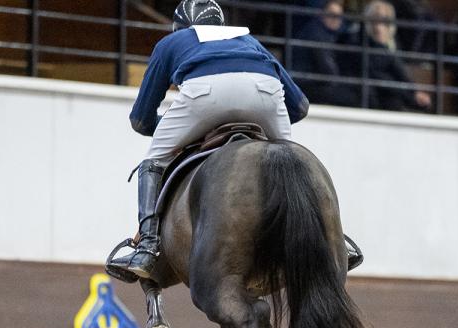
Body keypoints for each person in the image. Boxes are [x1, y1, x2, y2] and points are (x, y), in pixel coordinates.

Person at [106, 1, 310, 282]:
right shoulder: (248, 40)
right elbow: (300, 107)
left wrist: (186, 132)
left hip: (204, 95)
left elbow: (140, 120)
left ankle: (147, 248)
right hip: (264, 89)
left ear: (178, 27)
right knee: (292, 162)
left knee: (153, 161)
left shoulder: (172, 42)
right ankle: (324, 236)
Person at [358, 0, 433, 111]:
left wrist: (414, 92)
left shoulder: (392, 45)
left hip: (392, 95)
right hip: (372, 96)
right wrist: (411, 95)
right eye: (376, 19)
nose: (379, 26)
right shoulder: (360, 43)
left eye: (385, 21)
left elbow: (399, 71)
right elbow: (378, 77)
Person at [291, 1, 360, 107]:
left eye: (339, 16)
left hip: (314, 83)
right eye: (332, 15)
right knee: (352, 96)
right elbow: (327, 69)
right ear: (322, 15)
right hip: (306, 85)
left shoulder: (326, 33)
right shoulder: (317, 34)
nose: (336, 20)